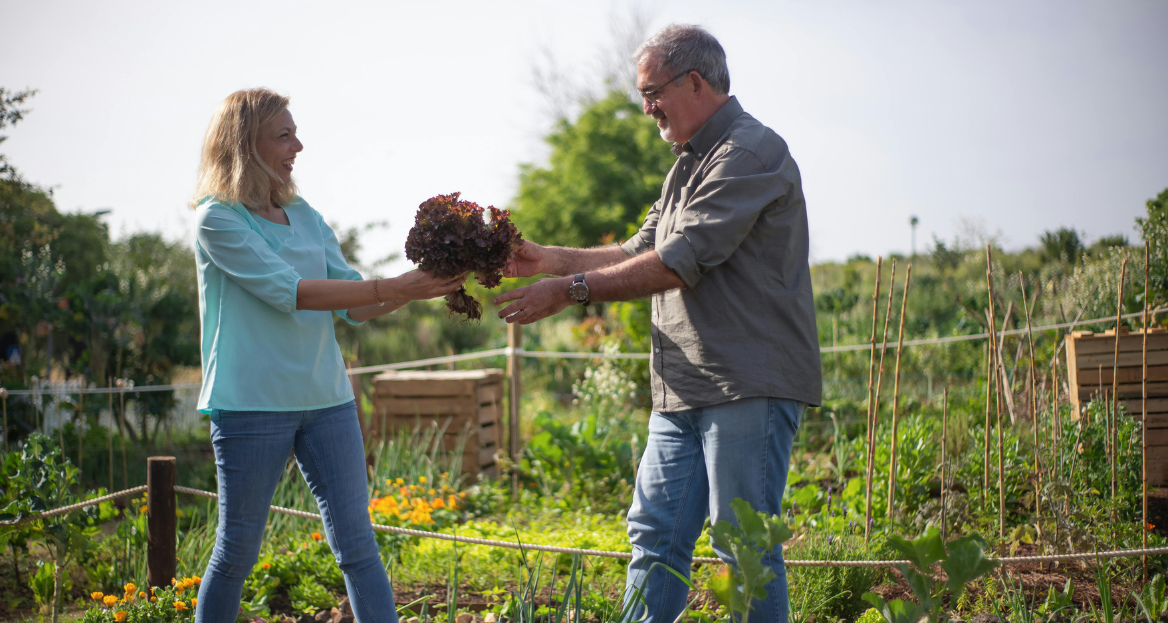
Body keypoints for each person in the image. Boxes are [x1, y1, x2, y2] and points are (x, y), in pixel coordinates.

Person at [493, 25, 822, 623]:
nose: (646, 109)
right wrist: (548, 258)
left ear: (695, 82)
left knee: (742, 551)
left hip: (746, 384)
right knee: (654, 538)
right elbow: (635, 249)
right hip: (683, 391)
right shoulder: (685, 167)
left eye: (652, 93)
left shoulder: (750, 153)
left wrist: (569, 291)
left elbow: (678, 260)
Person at [189, 88, 463, 623]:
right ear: (247, 144)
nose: (299, 144)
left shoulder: (305, 214)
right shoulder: (217, 220)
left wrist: (413, 289)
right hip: (251, 404)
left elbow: (354, 305)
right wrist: (394, 284)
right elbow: (293, 293)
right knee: (237, 554)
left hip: (327, 400)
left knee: (358, 548)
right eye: (284, 134)